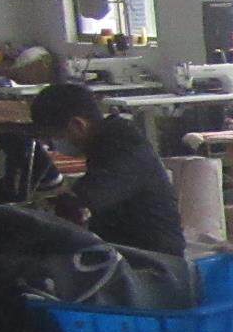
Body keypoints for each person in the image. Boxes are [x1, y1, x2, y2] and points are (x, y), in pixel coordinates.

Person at [28, 82, 186, 259]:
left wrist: (42, 211)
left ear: (78, 125)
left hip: (154, 263)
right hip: (130, 252)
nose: (53, 144)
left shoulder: (124, 146)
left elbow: (87, 197)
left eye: (55, 136)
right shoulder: (106, 142)